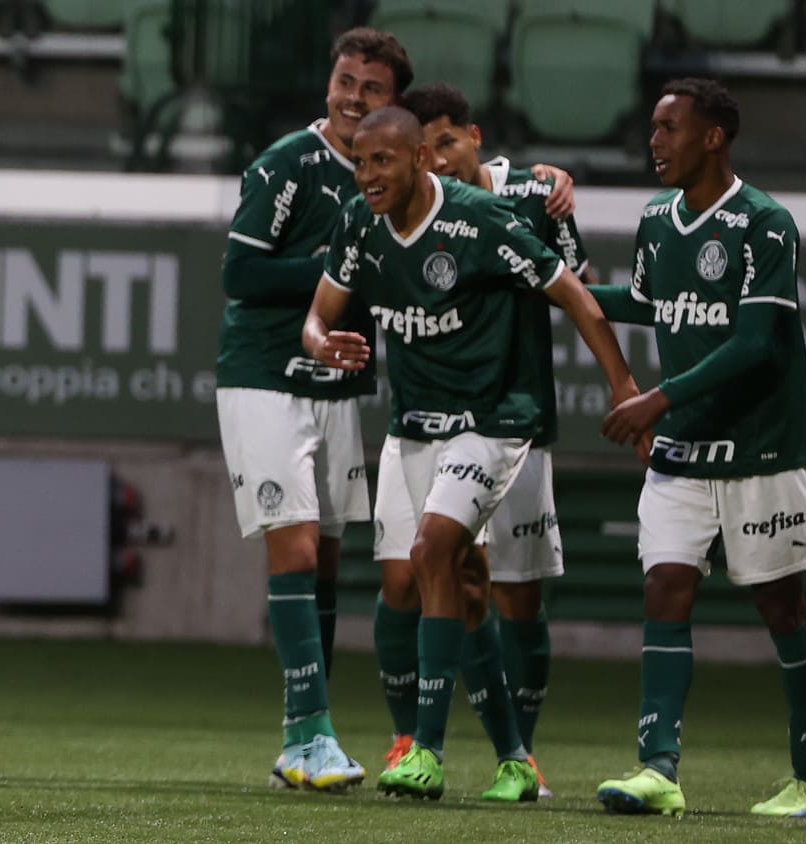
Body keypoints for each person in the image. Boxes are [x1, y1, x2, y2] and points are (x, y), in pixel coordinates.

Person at [302, 106, 640, 802]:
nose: (367, 176)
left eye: (382, 162)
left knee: (434, 556)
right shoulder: (359, 224)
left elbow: (571, 292)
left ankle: (425, 751)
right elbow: (318, 313)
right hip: (414, 424)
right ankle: (515, 759)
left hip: (492, 420)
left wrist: (625, 386)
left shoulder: (478, 220)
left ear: (420, 159)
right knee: (446, 585)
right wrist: (318, 343)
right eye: (361, 164)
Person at [592, 78, 806, 819]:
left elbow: (757, 343)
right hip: (684, 450)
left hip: (763, 446)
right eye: (654, 128)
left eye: (669, 129)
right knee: (665, 586)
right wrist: (559, 286)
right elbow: (644, 302)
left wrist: (654, 399)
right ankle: (657, 769)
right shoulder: (657, 218)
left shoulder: (765, 223)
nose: (654, 142)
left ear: (712, 137)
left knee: (780, 603)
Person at [216, 26, 413, 793]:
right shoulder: (287, 163)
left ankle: (302, 735)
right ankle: (312, 734)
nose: (352, 97)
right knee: (294, 548)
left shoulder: (388, 173)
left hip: (336, 382)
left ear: (393, 106)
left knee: (327, 558)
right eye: (344, 81)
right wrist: (343, 270)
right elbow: (240, 274)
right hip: (265, 374)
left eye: (370, 88)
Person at [396, 82, 599, 798]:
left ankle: (525, 754)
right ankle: (450, 746)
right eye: (427, 151)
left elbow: (585, 282)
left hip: (520, 421)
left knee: (518, 595)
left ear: (475, 137)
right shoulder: (415, 205)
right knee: (452, 573)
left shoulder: (534, 194)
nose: (440, 161)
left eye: (448, 143)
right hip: (444, 422)